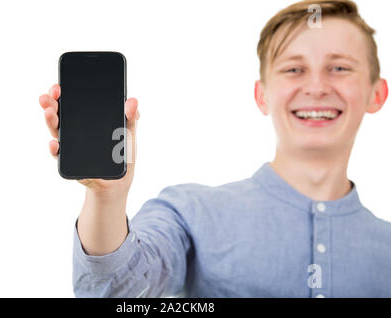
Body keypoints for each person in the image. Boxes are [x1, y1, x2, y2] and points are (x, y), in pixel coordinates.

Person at [38, 0, 390, 297]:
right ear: (261, 95)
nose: (316, 86)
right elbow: (118, 292)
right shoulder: (188, 212)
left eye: (339, 67)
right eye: (294, 69)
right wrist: (106, 198)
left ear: (377, 94)